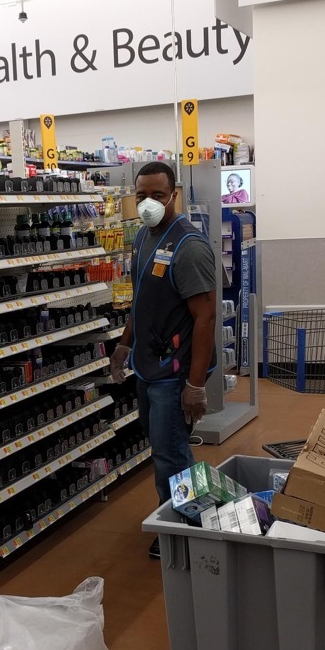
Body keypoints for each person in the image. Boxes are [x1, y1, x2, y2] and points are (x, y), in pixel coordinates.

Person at [109, 161, 218, 558]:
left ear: (174, 195)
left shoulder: (189, 247)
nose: (148, 203)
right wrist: (124, 345)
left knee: (170, 452)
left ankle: (184, 531)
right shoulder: (143, 237)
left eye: (157, 195)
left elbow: (205, 318)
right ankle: (197, 515)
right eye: (141, 196)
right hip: (148, 366)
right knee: (164, 446)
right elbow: (141, 299)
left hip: (174, 372)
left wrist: (195, 385)